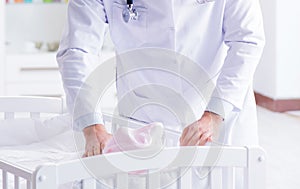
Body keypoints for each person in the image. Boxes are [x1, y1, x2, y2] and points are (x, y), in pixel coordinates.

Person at [57, 0, 265, 159]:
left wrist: (214, 114)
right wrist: (92, 127)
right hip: (143, 117)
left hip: (218, 113)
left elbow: (247, 41)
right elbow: (77, 50)